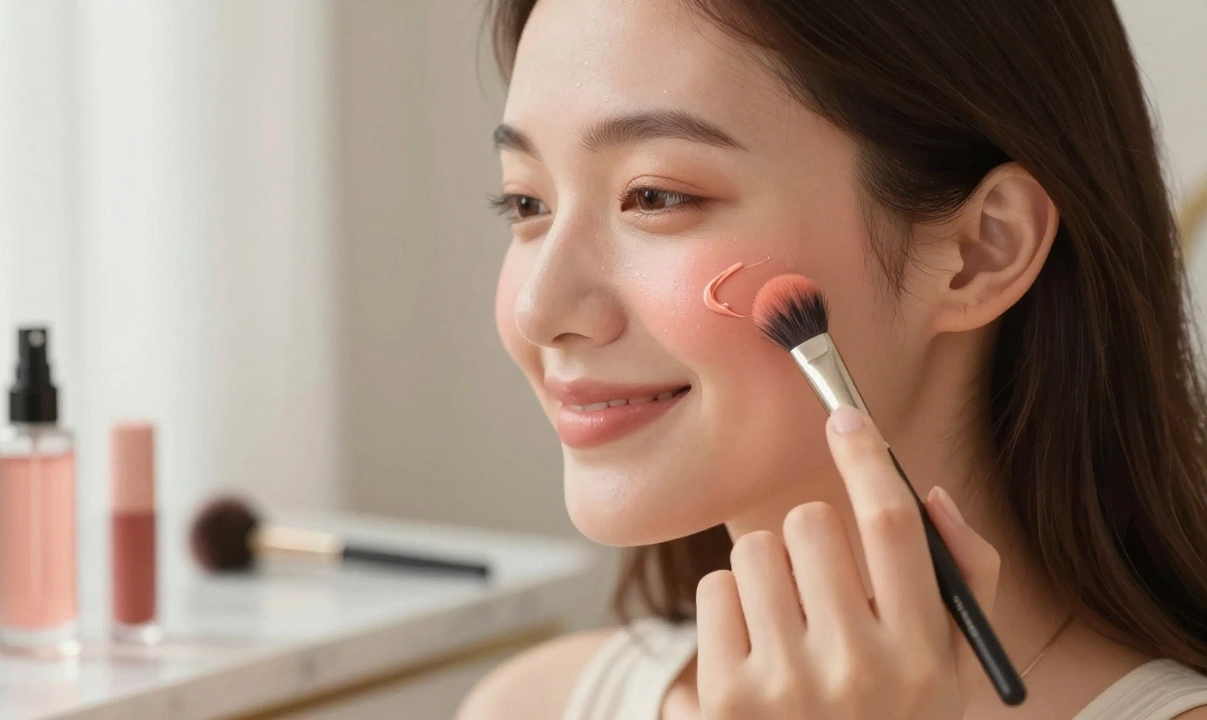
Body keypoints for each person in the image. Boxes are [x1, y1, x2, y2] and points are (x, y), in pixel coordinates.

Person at [459, 0, 1207, 717]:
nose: (539, 311)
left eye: (655, 196)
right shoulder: (532, 707)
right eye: (527, 204)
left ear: (982, 250)